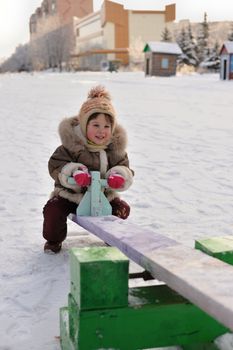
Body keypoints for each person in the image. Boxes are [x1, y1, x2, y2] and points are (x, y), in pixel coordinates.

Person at [42, 85, 134, 253]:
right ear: (85, 125)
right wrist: (74, 172)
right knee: (53, 210)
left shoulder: (114, 149)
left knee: (122, 209)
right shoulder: (71, 146)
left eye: (107, 126)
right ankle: (53, 240)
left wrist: (118, 175)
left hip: (103, 197)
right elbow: (55, 165)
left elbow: (125, 167)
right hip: (71, 196)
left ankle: (111, 236)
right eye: (96, 125)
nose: (101, 131)